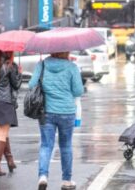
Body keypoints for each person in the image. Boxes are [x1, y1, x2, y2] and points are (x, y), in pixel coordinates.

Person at [28, 52, 84, 190]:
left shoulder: (42, 65)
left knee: (46, 145)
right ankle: (66, 180)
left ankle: (42, 176)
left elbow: (32, 84)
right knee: (66, 146)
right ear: (66, 51)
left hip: (46, 111)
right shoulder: (72, 67)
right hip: (67, 112)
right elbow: (78, 91)